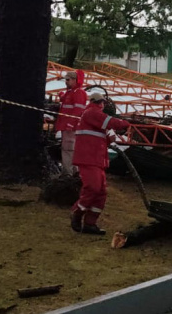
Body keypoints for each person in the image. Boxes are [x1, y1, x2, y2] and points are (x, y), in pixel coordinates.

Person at [70, 91, 131, 235]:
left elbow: (110, 136)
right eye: (102, 103)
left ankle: (90, 224)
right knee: (93, 187)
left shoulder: (96, 117)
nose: (103, 105)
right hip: (89, 158)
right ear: (99, 103)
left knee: (101, 192)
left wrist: (115, 131)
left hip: (96, 159)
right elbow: (110, 122)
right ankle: (77, 212)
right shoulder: (92, 112)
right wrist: (125, 123)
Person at [55, 70, 87, 176]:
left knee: (68, 149)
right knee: (69, 149)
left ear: (74, 80)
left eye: (68, 80)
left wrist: (70, 124)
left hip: (70, 127)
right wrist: (61, 95)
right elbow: (65, 101)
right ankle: (73, 172)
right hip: (66, 126)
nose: (66, 82)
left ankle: (67, 173)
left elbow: (77, 111)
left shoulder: (79, 93)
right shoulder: (71, 92)